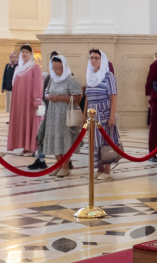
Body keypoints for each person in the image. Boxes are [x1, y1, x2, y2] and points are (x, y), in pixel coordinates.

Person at [42, 56, 82, 178]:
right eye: (54, 68)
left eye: (60, 68)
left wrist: (61, 98)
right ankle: (58, 165)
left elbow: (78, 98)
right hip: (53, 114)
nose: (57, 71)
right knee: (55, 139)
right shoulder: (52, 79)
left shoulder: (71, 79)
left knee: (65, 140)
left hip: (65, 114)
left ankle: (65, 166)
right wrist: (48, 96)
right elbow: (47, 91)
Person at [86, 49, 120, 180]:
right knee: (96, 142)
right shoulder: (89, 75)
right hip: (92, 114)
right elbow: (87, 97)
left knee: (106, 141)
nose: (93, 60)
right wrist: (85, 115)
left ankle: (106, 170)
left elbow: (114, 97)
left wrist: (112, 116)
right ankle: (99, 168)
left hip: (104, 112)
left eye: (96, 58)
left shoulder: (108, 75)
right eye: (91, 58)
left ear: (102, 60)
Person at [5, 45, 42, 157]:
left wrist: (37, 98)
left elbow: (38, 84)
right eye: (23, 52)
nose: (25, 54)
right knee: (22, 121)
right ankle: (25, 147)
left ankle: (32, 147)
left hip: (30, 101)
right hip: (19, 101)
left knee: (30, 122)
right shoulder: (18, 68)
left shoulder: (34, 67)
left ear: (31, 54)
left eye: (27, 52)